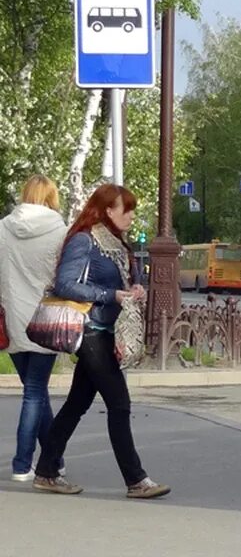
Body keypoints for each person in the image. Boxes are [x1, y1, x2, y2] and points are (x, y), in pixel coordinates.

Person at [33, 184, 170, 498]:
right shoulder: (84, 240)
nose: (132, 216)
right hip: (91, 330)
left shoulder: (119, 245)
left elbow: (127, 279)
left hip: (108, 331)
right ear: (109, 210)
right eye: (128, 209)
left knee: (76, 405)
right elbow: (65, 284)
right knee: (119, 405)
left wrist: (137, 287)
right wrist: (110, 295)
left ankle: (46, 471)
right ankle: (136, 480)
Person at [0, 175, 67, 481]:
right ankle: (22, 464)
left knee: (36, 393)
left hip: (13, 318)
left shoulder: (3, 228)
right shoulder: (60, 231)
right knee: (34, 393)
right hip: (45, 319)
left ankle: (54, 459)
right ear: (51, 198)